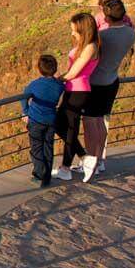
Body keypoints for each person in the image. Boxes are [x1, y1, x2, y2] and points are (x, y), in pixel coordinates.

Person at [82, 0, 135, 182]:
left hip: (96, 83)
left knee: (90, 122)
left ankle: (90, 163)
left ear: (106, 16)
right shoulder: (130, 34)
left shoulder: (103, 36)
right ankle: (99, 160)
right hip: (112, 81)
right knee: (101, 121)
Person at [52, 13, 100, 181]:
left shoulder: (91, 47)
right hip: (72, 90)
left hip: (79, 92)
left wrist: (55, 80)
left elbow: (74, 72)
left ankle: (66, 168)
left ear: (83, 29)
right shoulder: (84, 45)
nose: (72, 33)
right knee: (60, 125)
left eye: (74, 30)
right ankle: (85, 157)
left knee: (70, 129)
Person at [21, 55, 65, 187]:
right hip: (51, 119)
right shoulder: (59, 85)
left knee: (36, 147)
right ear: (55, 68)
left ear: (39, 69)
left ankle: (39, 175)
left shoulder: (35, 84)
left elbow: (24, 97)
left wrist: (26, 111)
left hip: (35, 120)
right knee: (48, 147)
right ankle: (47, 177)